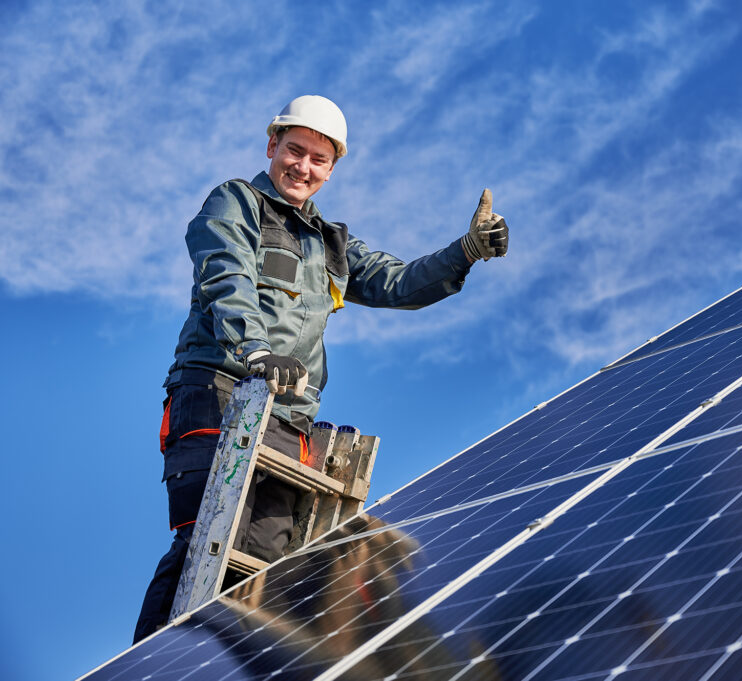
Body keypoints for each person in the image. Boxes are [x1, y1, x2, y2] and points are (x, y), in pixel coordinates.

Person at [133, 95, 509, 643]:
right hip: (219, 391)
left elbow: (399, 283)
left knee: (262, 561)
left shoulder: (330, 243)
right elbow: (226, 279)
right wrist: (256, 351)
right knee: (205, 541)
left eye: (318, 159)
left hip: (288, 419)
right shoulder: (236, 203)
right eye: (295, 151)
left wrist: (467, 250)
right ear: (272, 146)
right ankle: (149, 666)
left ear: (332, 169)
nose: (302, 167)